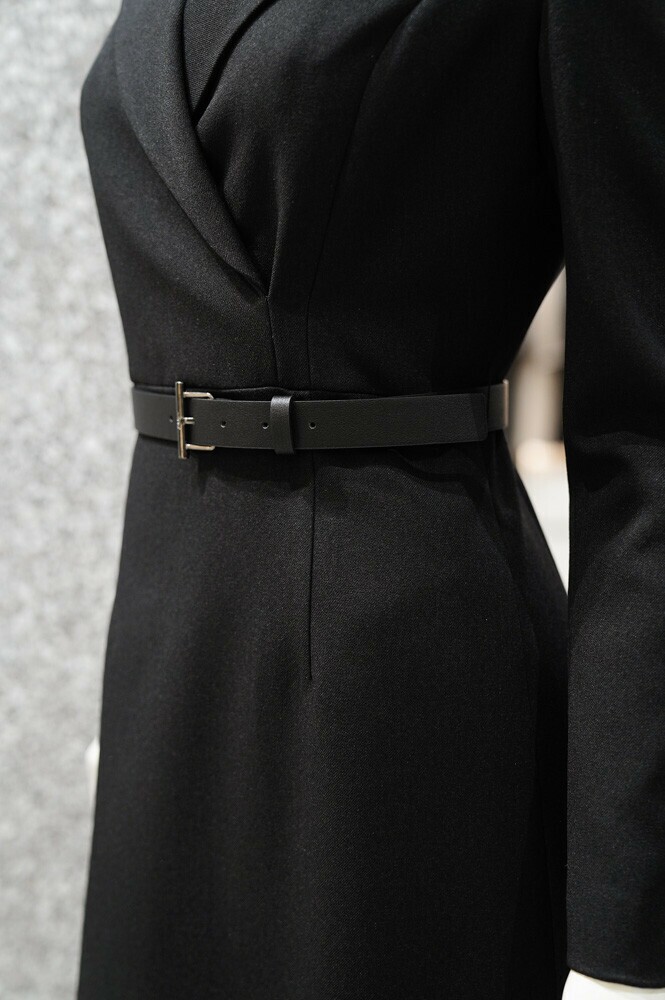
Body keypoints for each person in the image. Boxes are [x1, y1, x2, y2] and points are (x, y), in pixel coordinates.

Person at [76, 1, 665, 997]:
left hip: (393, 699)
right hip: (175, 666)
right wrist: (148, 691)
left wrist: (625, 927)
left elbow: (645, 436)